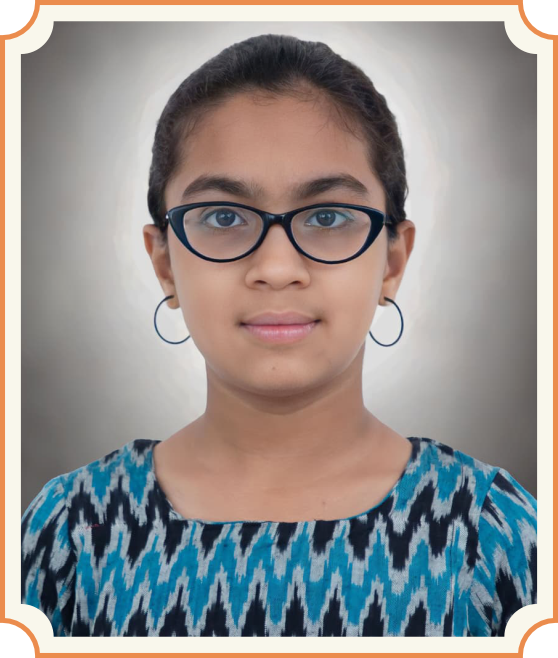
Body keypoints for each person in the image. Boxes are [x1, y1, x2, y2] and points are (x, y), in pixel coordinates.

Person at [21, 33, 536, 637]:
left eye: (327, 217)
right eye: (223, 216)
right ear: (165, 262)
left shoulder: (487, 531)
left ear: (392, 261)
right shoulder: (73, 533)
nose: (276, 267)